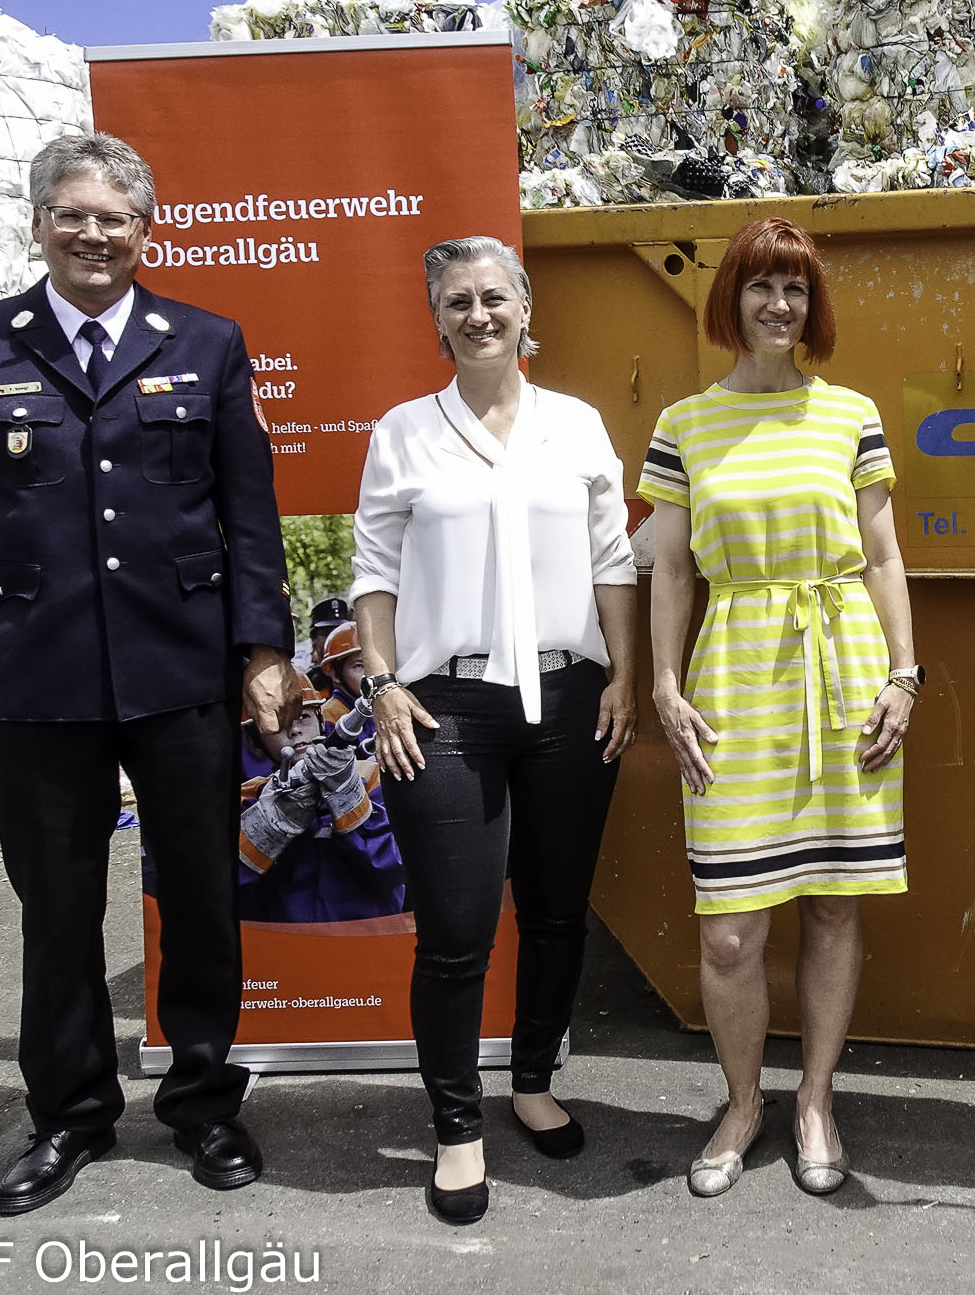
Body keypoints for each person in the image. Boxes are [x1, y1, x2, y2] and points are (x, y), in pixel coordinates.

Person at [0, 131, 300, 1215]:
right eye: (72, 214)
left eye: (115, 217)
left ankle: (205, 1105)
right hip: (38, 680)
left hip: (179, 673)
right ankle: (72, 1115)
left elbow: (247, 513)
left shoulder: (208, 342)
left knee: (201, 898)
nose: (94, 234)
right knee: (56, 908)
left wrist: (264, 651)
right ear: (39, 222)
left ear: (146, 229)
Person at [350, 235, 638, 1225]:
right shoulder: (403, 432)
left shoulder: (575, 425)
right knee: (456, 936)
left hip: (568, 699)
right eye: (458, 302)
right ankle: (458, 1130)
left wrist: (625, 676)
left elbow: (613, 564)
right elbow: (373, 575)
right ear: (437, 319)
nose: (478, 315)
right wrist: (382, 684)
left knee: (557, 912)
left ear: (523, 308)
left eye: (493, 298)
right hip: (447, 709)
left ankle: (531, 1082)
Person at [640, 215, 916, 1200]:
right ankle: (743, 1099)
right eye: (759, 285)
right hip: (733, 679)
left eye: (794, 288)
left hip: (842, 668)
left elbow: (882, 560)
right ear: (730, 300)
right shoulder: (684, 423)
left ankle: (813, 1100)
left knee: (834, 903)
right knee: (729, 924)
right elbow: (669, 570)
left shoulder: (848, 414)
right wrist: (664, 685)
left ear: (812, 304)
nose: (777, 303)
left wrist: (902, 676)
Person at [236, 676, 405, 923]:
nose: (294, 729)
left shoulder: (373, 780)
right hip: (281, 947)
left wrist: (348, 797)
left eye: (303, 716)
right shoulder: (248, 798)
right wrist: (267, 823)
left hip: (368, 946)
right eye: (279, 722)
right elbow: (220, 884)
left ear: (321, 720)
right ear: (254, 741)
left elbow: (397, 867)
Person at [303, 596, 351, 697]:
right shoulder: (305, 685)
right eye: (327, 633)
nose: (334, 639)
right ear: (313, 638)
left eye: (341, 632)